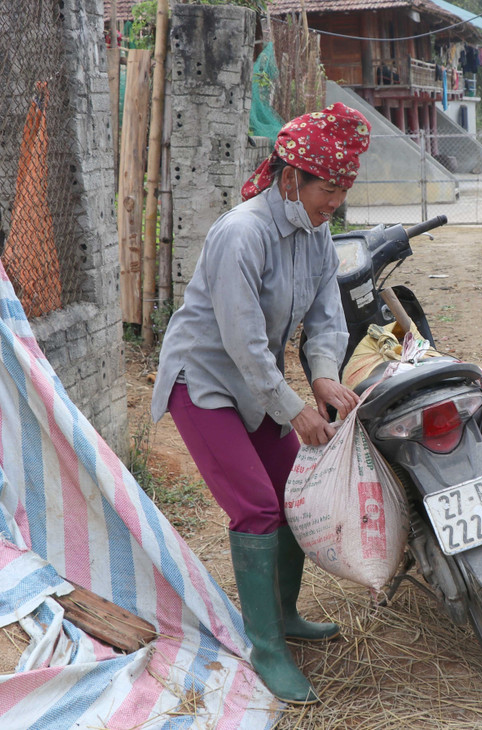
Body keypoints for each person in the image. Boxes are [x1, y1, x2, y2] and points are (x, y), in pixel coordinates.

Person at [150, 102, 372, 704]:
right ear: (291, 178)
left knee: (294, 497)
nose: (335, 203)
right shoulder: (241, 233)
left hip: (257, 383)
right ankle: (265, 646)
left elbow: (326, 318)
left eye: (343, 191)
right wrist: (294, 408)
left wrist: (322, 377)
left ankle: (285, 616)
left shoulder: (316, 235)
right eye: (328, 189)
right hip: (203, 382)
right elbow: (243, 343)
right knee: (257, 508)